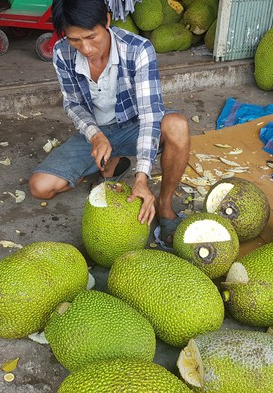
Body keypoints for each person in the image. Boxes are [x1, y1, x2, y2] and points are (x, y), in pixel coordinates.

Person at [29, 0, 191, 244]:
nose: (85, 48)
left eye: (91, 37)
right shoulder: (63, 52)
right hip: (96, 132)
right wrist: (95, 135)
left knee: (176, 125)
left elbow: (150, 115)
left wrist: (141, 178)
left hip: (133, 127)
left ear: (106, 20)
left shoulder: (138, 49)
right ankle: (107, 164)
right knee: (40, 187)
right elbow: (73, 105)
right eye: (75, 40)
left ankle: (165, 206)